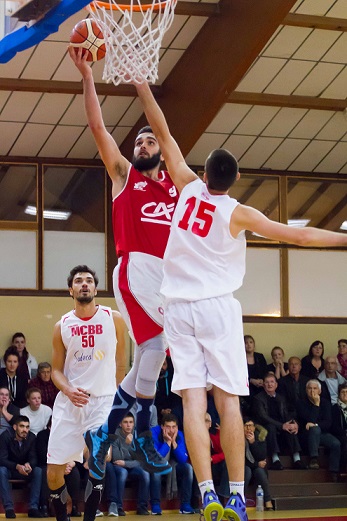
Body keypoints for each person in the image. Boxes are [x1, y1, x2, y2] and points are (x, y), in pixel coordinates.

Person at [132, 78, 347, 521]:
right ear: (236, 180)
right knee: (228, 402)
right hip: (216, 309)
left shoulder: (187, 186)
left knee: (193, 402)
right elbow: (300, 234)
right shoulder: (239, 213)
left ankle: (205, 493)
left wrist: (141, 83)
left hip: (177, 310)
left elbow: (162, 129)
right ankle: (234, 495)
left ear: (205, 173)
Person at [68, 47, 178, 478]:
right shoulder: (124, 177)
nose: (143, 144)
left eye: (149, 140)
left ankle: (104, 434)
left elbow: (165, 130)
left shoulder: (177, 186)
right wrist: (88, 75)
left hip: (168, 280)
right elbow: (97, 126)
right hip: (135, 270)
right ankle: (148, 435)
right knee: (154, 350)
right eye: (138, 142)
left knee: (149, 358)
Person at [47, 265, 126, 521]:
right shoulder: (62, 326)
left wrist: (117, 402)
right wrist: (68, 389)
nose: (84, 284)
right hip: (69, 402)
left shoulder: (113, 318)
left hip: (102, 400)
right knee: (52, 472)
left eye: (89, 280)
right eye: (79, 281)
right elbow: (56, 371)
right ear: (71, 290)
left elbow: (122, 363)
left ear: (95, 288)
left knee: (99, 457)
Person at [252, 373, 305, 470]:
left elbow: (287, 413)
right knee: (271, 427)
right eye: (267, 382)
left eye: (272, 382)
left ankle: (297, 459)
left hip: (281, 424)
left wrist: (293, 423)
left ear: (276, 385)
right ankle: (275, 460)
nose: (269, 384)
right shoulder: (258, 398)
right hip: (266, 425)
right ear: (263, 385)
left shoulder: (281, 397)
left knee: (291, 426)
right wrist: (281, 426)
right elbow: (263, 417)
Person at [105, 412, 150, 517]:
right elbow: (116, 458)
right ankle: (119, 507)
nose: (128, 425)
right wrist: (127, 444)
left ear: (134, 423)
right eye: (125, 422)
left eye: (131, 422)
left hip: (129, 465)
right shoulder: (115, 435)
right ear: (120, 424)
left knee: (145, 473)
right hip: (117, 467)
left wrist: (126, 462)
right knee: (123, 473)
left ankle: (142, 507)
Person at [37, 417, 82, 518]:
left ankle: (73, 505)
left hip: (67, 464)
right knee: (47, 473)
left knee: (75, 473)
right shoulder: (42, 435)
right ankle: (44, 506)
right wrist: (61, 465)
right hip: (48, 464)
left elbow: (77, 452)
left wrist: (72, 463)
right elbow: (42, 454)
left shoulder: (69, 435)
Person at [150, 414, 194, 515]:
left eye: (174, 427)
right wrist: (167, 443)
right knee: (155, 471)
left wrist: (174, 442)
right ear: (162, 427)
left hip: (173, 465)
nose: (171, 430)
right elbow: (157, 459)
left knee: (188, 468)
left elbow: (183, 459)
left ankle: (185, 505)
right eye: (168, 427)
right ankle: (155, 505)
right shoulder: (153, 433)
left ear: (177, 427)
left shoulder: (179, 434)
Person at [296, 379, 341, 481]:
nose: (312, 391)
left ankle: (334, 471)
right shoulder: (301, 403)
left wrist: (315, 424)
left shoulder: (325, 403)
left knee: (336, 443)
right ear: (306, 390)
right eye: (310, 388)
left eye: (315, 388)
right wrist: (316, 405)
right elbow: (308, 421)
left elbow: (328, 423)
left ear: (319, 391)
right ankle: (313, 459)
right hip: (306, 434)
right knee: (314, 429)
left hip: (322, 433)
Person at [0, 415, 43, 519]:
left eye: (27, 427)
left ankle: (33, 508)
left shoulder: (32, 437)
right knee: (1, 471)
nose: (25, 430)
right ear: (15, 427)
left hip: (25, 469)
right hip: (11, 469)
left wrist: (29, 464)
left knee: (38, 471)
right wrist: (16, 466)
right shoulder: (5, 436)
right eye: (22, 426)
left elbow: (34, 457)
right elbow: (2, 459)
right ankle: (9, 508)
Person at [243, 417, 273, 511]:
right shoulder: (238, 439)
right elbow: (241, 460)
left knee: (260, 471)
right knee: (247, 470)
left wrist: (253, 443)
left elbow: (262, 457)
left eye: (251, 426)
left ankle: (268, 501)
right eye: (246, 426)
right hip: (245, 467)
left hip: (257, 468)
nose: (249, 429)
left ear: (254, 428)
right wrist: (256, 464)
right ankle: (241, 499)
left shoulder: (260, 436)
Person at [331, 383, 347, 473]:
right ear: (339, 394)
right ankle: (342, 469)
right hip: (340, 435)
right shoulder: (335, 408)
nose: (345, 394)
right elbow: (334, 427)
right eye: (343, 392)